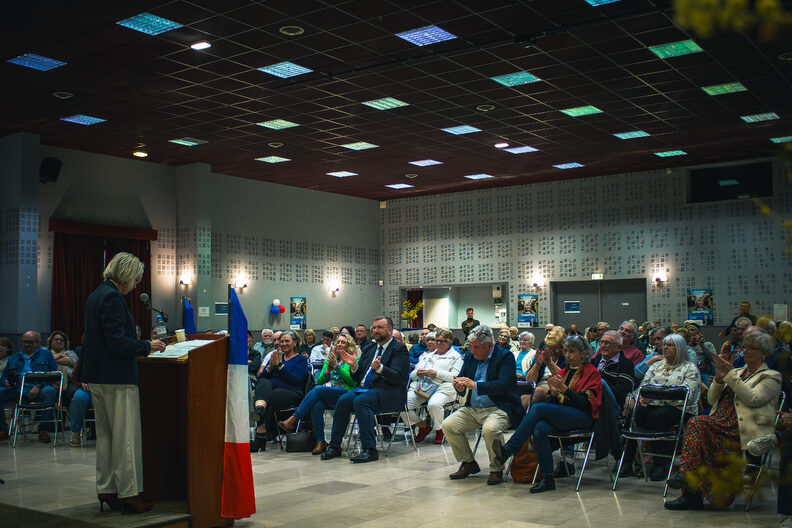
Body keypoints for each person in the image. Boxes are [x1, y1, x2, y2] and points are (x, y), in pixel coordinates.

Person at [74, 252, 166, 513]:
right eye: (136, 278)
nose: (136, 284)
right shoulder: (113, 297)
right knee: (125, 437)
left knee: (105, 436)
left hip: (97, 376)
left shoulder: (96, 295)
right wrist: (147, 345)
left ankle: (107, 488)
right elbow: (116, 341)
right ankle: (128, 493)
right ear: (126, 275)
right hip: (116, 376)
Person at [665, 331, 782, 510]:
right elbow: (712, 400)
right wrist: (719, 381)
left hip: (741, 429)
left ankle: (688, 483)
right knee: (698, 428)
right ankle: (691, 493)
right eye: (745, 348)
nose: (746, 352)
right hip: (719, 424)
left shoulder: (771, 377)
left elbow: (752, 398)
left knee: (697, 423)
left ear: (764, 354)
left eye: (752, 348)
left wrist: (730, 375)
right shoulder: (735, 372)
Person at [493, 335, 602, 493]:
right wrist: (555, 393)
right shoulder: (565, 372)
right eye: (566, 351)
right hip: (566, 415)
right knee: (539, 428)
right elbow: (556, 403)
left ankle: (510, 448)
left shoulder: (591, 373)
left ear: (583, 353)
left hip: (584, 417)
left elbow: (586, 405)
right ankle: (547, 478)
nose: (568, 355)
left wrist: (565, 390)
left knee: (538, 408)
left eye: (572, 351)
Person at [320, 316, 409, 463]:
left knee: (361, 402)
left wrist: (380, 368)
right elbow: (357, 376)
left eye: (379, 327)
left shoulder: (399, 349)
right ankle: (335, 446)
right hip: (365, 389)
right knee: (343, 401)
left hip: (388, 392)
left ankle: (369, 449)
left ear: (389, 330)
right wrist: (354, 366)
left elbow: (398, 377)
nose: (375, 330)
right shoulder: (369, 348)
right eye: (373, 328)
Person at [442, 325, 523, 485]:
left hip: (499, 407)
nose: (473, 351)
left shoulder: (505, 356)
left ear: (489, 346)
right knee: (448, 425)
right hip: (472, 408)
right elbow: (462, 378)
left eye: (477, 347)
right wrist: (459, 386)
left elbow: (504, 384)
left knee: (490, 429)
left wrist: (476, 386)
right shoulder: (471, 357)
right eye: (471, 347)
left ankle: (496, 468)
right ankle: (468, 463)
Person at [619, 333, 700, 481]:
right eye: (665, 345)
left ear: (680, 348)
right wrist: (641, 398)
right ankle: (627, 462)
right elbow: (643, 387)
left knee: (657, 417)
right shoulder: (656, 366)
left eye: (671, 345)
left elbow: (686, 394)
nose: (666, 347)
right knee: (634, 413)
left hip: (680, 409)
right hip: (653, 405)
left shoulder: (689, 368)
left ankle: (660, 464)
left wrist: (655, 395)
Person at [279, 333, 357, 455]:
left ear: (349, 345)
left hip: (346, 393)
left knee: (318, 389)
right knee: (317, 404)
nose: (340, 344)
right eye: (338, 342)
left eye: (343, 342)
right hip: (331, 393)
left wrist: (337, 367)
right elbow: (320, 380)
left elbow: (352, 382)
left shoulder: (354, 359)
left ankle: (293, 419)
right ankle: (321, 441)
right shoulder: (331, 358)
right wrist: (327, 371)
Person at [251, 330, 309, 452]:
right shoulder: (275, 356)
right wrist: (270, 367)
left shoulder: (301, 360)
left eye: (287, 341)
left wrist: (280, 367)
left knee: (269, 397)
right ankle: (260, 411)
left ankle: (260, 437)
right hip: (272, 391)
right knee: (263, 383)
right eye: (281, 341)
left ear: (295, 343)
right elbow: (260, 378)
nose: (283, 343)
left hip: (292, 392)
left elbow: (296, 380)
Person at [403, 328, 463, 444]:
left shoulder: (455, 357)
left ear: (449, 342)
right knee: (402, 404)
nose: (439, 343)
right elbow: (413, 374)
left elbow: (455, 376)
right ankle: (423, 426)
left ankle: (439, 430)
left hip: (443, 388)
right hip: (423, 388)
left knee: (434, 404)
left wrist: (437, 373)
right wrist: (418, 373)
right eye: (437, 340)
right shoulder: (427, 356)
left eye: (442, 341)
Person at [0, 331, 60, 443]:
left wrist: (39, 385)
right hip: (18, 390)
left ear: (37, 342)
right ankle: (3, 430)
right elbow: (3, 377)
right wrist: (5, 382)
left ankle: (43, 430)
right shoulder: (13, 358)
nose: (26, 345)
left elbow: (54, 375)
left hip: (41, 389)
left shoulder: (46, 355)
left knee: (50, 391)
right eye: (24, 342)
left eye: (30, 342)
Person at [591, 330, 637, 411]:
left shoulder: (626, 364)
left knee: (601, 382)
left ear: (619, 347)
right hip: (591, 400)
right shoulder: (594, 361)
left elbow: (621, 392)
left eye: (607, 343)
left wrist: (596, 390)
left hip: (611, 405)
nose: (602, 346)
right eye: (601, 342)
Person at [524, 326, 566, 404]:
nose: (551, 351)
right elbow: (529, 380)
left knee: (535, 394)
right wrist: (537, 365)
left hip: (555, 387)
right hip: (539, 385)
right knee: (522, 397)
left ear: (561, 348)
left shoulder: (566, 357)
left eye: (554, 349)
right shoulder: (542, 353)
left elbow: (565, 378)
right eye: (549, 348)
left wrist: (549, 363)